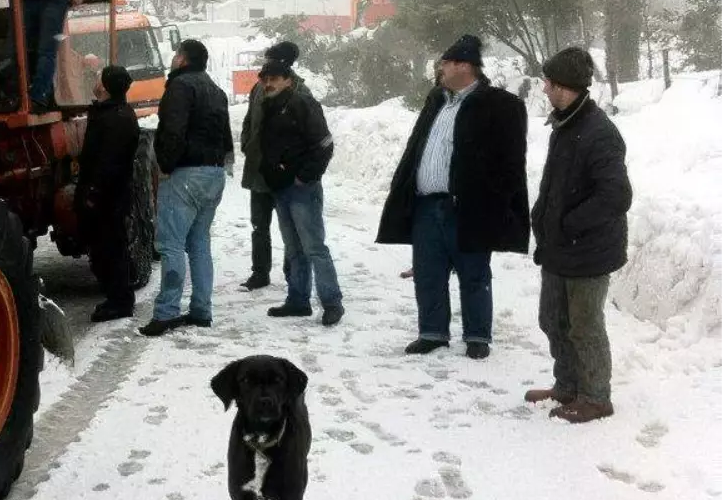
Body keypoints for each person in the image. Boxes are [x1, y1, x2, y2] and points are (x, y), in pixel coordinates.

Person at [375, 34, 529, 359]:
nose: (440, 68)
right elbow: (416, 148)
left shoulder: (500, 105)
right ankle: (432, 333)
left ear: (464, 66)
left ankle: (477, 336)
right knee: (428, 272)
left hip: (468, 208)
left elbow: (511, 163)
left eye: (445, 62)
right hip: (426, 205)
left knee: (473, 273)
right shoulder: (436, 101)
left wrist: (493, 203)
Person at [529, 48, 632, 423]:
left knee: (584, 325)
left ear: (564, 86)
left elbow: (617, 195)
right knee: (552, 320)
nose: (544, 88)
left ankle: (596, 397)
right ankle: (567, 385)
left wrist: (570, 224)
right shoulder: (565, 123)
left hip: (587, 250)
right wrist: (543, 221)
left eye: (549, 83)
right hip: (558, 248)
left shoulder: (598, 132)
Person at [142, 39, 232, 337]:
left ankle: (166, 312)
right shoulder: (216, 90)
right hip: (213, 173)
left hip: (185, 175)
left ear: (182, 59)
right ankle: (201, 310)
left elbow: (173, 130)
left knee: (171, 245)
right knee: (199, 244)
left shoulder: (180, 87)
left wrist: (165, 166)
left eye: (176, 54)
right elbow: (226, 136)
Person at [258, 60, 343, 325]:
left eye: (274, 78)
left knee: (314, 247)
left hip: (302, 189)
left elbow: (325, 144)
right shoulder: (270, 106)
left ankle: (332, 303)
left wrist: (303, 177)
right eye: (265, 79)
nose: (268, 83)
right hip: (281, 189)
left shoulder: (302, 104)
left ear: (288, 80)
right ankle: (298, 301)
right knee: (294, 249)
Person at [239, 41, 314, 291]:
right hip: (259, 169)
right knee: (259, 225)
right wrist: (247, 144)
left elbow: (311, 133)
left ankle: (291, 272)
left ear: (285, 64)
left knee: (289, 227)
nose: (265, 65)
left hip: (285, 173)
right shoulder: (259, 88)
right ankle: (260, 272)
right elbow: (250, 120)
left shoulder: (301, 91)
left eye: (270, 59)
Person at [76, 65, 141, 323]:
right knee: (109, 247)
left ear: (105, 86)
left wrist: (93, 192)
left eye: (98, 79)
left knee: (111, 248)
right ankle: (117, 296)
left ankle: (120, 301)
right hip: (110, 195)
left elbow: (108, 162)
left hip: (108, 197)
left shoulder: (114, 118)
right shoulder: (117, 113)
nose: (95, 83)